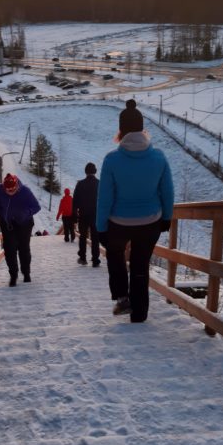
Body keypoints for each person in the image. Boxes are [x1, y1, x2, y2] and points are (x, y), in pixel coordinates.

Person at [96, 99, 174, 322]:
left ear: (121, 130)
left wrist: (102, 228)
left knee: (115, 252)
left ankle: (123, 299)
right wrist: (166, 217)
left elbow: (105, 198)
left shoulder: (112, 160)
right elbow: (167, 190)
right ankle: (140, 313)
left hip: (118, 223)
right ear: (142, 129)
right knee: (140, 264)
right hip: (150, 222)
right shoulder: (158, 157)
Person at [0, 173, 41, 287]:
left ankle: (26, 273)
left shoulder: (25, 191)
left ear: (17, 186)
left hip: (25, 223)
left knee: (23, 248)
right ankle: (13, 275)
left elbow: (36, 207)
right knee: (9, 250)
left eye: (13, 189)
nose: (10, 192)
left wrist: (26, 213)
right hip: (7, 223)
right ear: (4, 187)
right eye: (8, 190)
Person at [73, 162, 100, 267]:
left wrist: (75, 215)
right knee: (95, 238)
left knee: (83, 237)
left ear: (86, 172)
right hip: (96, 215)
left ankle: (83, 258)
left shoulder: (80, 184)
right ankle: (95, 259)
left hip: (83, 214)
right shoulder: (100, 184)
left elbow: (75, 201)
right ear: (95, 171)